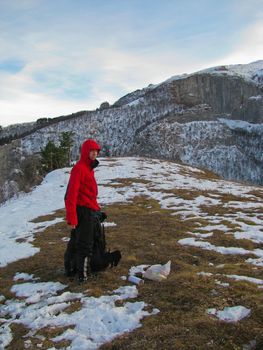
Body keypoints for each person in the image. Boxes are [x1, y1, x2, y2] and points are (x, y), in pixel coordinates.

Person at [64, 138, 105, 283]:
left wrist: (97, 211)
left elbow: (87, 194)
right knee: (84, 244)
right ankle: (83, 275)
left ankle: (70, 268)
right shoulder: (80, 168)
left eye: (96, 151)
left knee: (76, 240)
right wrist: (72, 219)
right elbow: (71, 195)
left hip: (88, 210)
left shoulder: (88, 168)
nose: (94, 154)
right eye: (91, 151)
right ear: (85, 152)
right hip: (83, 212)